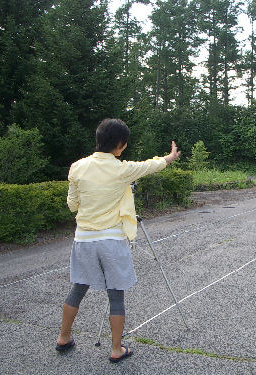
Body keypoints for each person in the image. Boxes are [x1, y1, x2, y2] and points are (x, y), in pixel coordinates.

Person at [55, 118, 180, 362]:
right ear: (121, 145)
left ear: (98, 139)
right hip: (111, 239)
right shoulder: (122, 170)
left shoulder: (77, 167)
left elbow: (72, 205)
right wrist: (170, 157)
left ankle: (63, 337)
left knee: (78, 287)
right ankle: (116, 350)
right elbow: (150, 166)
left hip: (84, 239)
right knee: (115, 295)